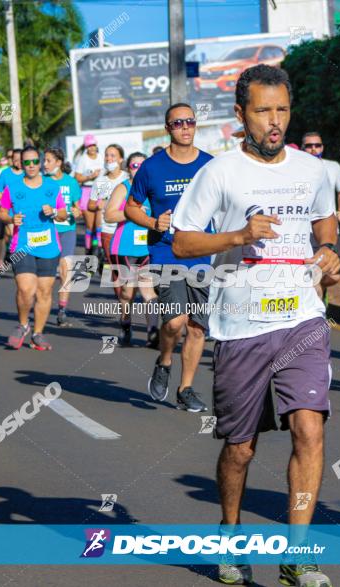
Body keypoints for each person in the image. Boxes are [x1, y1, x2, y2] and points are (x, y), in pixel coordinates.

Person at [172, 64, 337, 587]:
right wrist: (237, 235)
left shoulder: (312, 171)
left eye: (282, 110)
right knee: (241, 447)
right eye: (263, 111)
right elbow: (182, 241)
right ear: (241, 115)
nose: (274, 122)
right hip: (242, 325)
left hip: (303, 317)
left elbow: (325, 221)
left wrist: (330, 251)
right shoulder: (219, 173)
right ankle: (230, 533)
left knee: (309, 427)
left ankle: (298, 555)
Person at [125, 103, 213, 413]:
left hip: (202, 252)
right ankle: (164, 360)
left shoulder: (210, 165)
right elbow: (131, 206)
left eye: (190, 121)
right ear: (168, 128)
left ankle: (185, 388)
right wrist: (152, 222)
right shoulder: (152, 167)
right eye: (178, 123)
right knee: (175, 322)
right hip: (166, 251)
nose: (186, 127)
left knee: (198, 327)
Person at [0, 146, 67, 351]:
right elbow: (2, 212)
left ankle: (38, 333)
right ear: (21, 163)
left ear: (40, 162)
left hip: (48, 246)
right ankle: (22, 325)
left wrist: (54, 212)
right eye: (26, 162)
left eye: (34, 162)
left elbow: (64, 215)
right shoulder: (12, 187)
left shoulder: (52, 186)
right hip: (22, 245)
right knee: (25, 289)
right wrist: (11, 218)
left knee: (45, 292)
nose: (30, 166)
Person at [105, 152, 159, 347]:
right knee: (127, 293)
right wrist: (131, 214)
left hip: (147, 246)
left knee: (148, 291)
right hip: (124, 248)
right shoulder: (123, 188)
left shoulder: (154, 188)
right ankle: (126, 323)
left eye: (141, 165)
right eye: (134, 165)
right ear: (129, 168)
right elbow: (109, 216)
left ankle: (153, 333)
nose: (138, 169)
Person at [301, 131, 340, 304]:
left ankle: (319, 288)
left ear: (322, 147)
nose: (313, 149)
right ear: (301, 148)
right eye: (309, 146)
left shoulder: (333, 167)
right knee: (312, 275)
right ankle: (316, 307)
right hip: (306, 234)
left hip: (330, 232)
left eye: (317, 145)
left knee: (334, 275)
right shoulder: (296, 169)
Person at [44, 147, 82, 326]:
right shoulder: (41, 181)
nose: (45, 164)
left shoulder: (71, 182)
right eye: (44, 160)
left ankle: (62, 310)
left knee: (66, 270)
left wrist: (76, 211)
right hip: (47, 231)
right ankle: (42, 304)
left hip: (67, 230)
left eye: (48, 161)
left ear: (58, 163)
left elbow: (78, 208)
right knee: (47, 274)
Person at [88, 144, 129, 296]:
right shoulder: (100, 181)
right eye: (107, 155)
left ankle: (128, 298)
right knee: (115, 268)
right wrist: (100, 204)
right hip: (108, 230)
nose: (108, 158)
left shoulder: (127, 178)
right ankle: (123, 306)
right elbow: (90, 205)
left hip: (127, 228)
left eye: (112, 155)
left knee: (130, 268)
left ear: (121, 159)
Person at [73, 134, 104, 255]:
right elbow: (77, 178)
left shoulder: (101, 157)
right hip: (87, 191)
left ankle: (99, 249)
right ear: (86, 147)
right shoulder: (83, 159)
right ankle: (88, 249)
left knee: (99, 225)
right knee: (90, 226)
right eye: (89, 146)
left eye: (93, 145)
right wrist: (90, 176)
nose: (92, 148)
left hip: (101, 190)